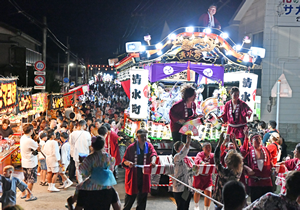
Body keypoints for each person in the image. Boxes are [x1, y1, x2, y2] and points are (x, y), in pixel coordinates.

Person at [67, 135, 121, 210]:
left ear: (92, 145)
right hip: (105, 183)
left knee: (79, 188)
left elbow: (84, 173)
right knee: (115, 198)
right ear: (103, 145)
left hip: (90, 184)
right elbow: (111, 169)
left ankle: (71, 202)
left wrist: (82, 163)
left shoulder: (89, 158)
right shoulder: (108, 157)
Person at [122, 129, 157, 210]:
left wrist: (153, 161)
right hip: (133, 175)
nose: (144, 138)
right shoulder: (131, 147)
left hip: (144, 174)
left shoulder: (148, 145)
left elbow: (153, 153)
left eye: (145, 136)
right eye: (142, 136)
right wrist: (129, 163)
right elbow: (124, 160)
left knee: (143, 196)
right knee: (130, 197)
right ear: (137, 137)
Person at [240, 129, 273, 202]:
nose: (258, 141)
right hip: (254, 181)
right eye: (256, 139)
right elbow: (241, 161)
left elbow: (271, 162)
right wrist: (247, 168)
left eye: (259, 139)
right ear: (251, 141)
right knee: (255, 203)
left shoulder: (266, 149)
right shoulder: (248, 150)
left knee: (267, 203)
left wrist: (273, 169)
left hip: (266, 181)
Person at [213, 133, 244, 210]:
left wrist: (220, 142)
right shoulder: (238, 172)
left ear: (227, 161)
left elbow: (216, 158)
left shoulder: (223, 172)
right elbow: (239, 157)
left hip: (221, 201)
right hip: (234, 201)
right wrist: (235, 143)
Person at [169, 85, 198, 155]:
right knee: (177, 144)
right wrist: (178, 120)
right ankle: (175, 159)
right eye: (193, 95)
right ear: (189, 95)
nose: (195, 97)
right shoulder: (179, 104)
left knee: (185, 143)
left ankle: (183, 158)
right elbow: (171, 113)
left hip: (186, 127)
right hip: (176, 127)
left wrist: (197, 116)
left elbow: (192, 115)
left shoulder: (193, 104)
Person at [173, 134, 199, 210]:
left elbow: (194, 173)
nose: (184, 148)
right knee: (180, 207)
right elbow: (183, 152)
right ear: (178, 150)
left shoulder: (189, 160)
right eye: (182, 147)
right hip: (179, 187)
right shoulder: (177, 157)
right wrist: (188, 142)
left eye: (184, 146)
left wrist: (196, 170)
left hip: (188, 187)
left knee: (186, 207)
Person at [20, 124, 39, 200]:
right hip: (31, 163)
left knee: (25, 179)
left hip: (24, 162)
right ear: (31, 131)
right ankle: (29, 196)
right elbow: (38, 148)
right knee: (31, 180)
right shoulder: (29, 140)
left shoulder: (22, 138)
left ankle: (23, 194)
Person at [193, 142, 214, 210]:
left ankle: (206, 208)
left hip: (208, 178)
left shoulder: (212, 156)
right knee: (197, 192)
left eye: (209, 147)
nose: (208, 149)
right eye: (206, 148)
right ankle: (196, 206)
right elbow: (198, 160)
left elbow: (217, 160)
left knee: (208, 194)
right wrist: (203, 163)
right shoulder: (200, 154)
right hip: (199, 177)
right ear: (203, 149)